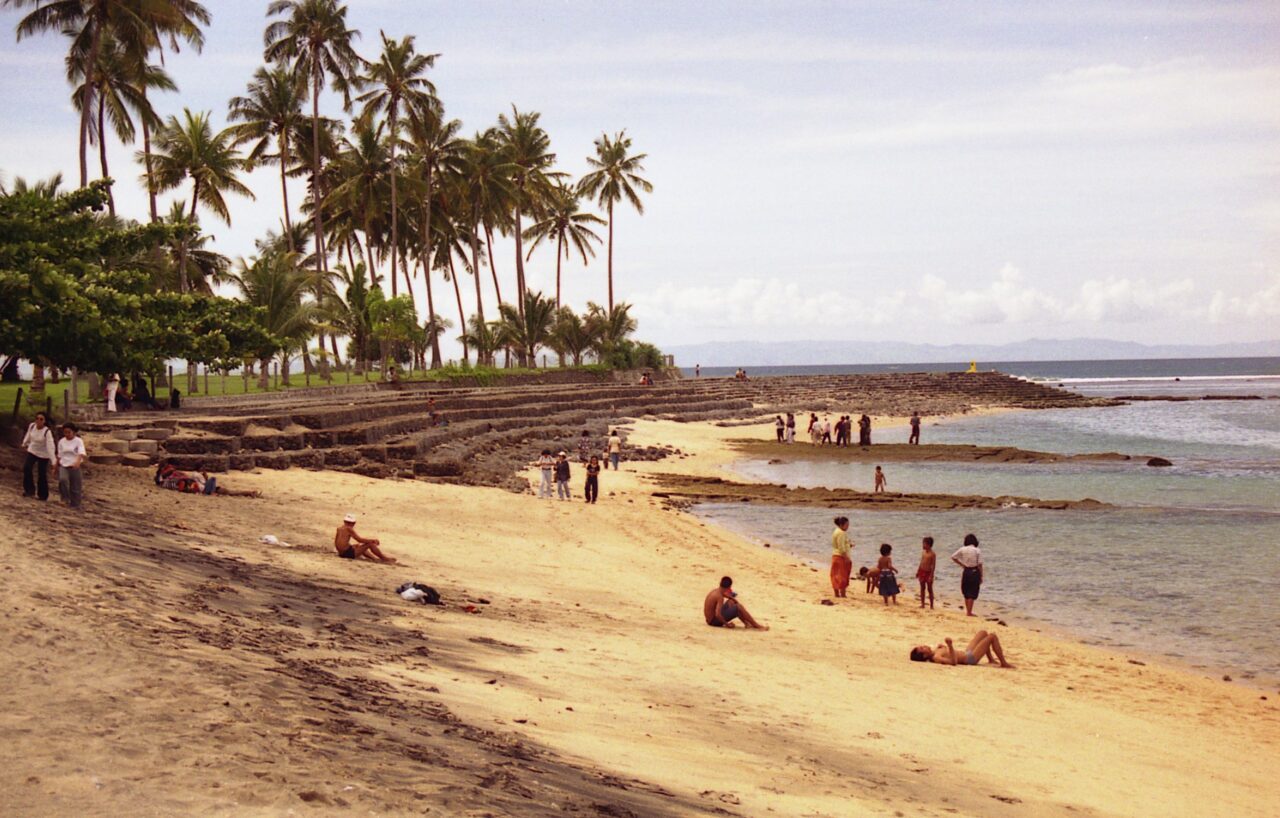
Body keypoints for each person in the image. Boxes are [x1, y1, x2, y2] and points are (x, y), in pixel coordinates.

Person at [910, 630, 1011, 668]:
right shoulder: (936, 657)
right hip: (970, 659)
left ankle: (991, 659)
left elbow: (948, 653)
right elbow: (953, 662)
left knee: (983, 633)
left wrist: (944, 647)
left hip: (967, 653)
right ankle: (1003, 663)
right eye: (922, 648)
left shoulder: (935, 651)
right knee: (992, 636)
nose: (924, 646)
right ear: (925, 655)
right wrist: (950, 645)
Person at [703, 576, 767, 630]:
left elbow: (723, 594)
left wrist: (732, 598)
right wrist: (727, 624)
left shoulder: (716, 591)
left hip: (710, 619)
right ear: (729, 587)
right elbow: (718, 614)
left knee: (731, 602)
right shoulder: (720, 597)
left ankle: (747, 624)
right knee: (738, 607)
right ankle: (756, 625)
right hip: (713, 622)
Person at [21, 411, 56, 501]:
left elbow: (50, 446)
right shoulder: (32, 426)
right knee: (27, 468)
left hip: (43, 454)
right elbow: (28, 435)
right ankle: (29, 490)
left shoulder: (47, 432)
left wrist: (53, 460)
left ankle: (43, 495)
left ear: (44, 421)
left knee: (42, 473)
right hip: (33, 450)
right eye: (37, 418)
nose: (38, 421)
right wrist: (24, 443)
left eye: (41, 419)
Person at [55, 422, 86, 509]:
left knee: (75, 485)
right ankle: (64, 498)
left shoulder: (78, 441)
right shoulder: (61, 441)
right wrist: (55, 466)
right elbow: (59, 454)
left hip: (74, 464)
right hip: (64, 464)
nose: (67, 434)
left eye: (69, 432)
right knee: (63, 480)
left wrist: (78, 462)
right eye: (65, 432)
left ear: (73, 432)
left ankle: (75, 503)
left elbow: (81, 452)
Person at [951, 533, 983, 616]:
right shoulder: (977, 550)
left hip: (966, 571)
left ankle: (967, 611)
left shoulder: (963, 549)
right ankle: (969, 612)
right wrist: (981, 575)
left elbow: (953, 557)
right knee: (972, 592)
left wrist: (962, 565)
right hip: (974, 571)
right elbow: (979, 564)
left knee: (966, 591)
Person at [830, 516, 854, 598]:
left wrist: (848, 545)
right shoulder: (841, 533)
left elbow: (838, 544)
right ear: (841, 524)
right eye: (847, 525)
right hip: (841, 556)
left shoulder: (836, 531)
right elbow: (841, 548)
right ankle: (843, 594)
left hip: (835, 555)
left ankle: (837, 593)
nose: (848, 526)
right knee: (843, 576)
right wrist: (846, 557)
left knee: (835, 575)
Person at [916, 536, 936, 609]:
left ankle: (931, 605)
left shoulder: (932, 554)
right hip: (922, 571)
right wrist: (918, 571)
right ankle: (922, 604)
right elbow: (921, 562)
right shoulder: (923, 552)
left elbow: (933, 566)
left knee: (930, 589)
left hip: (928, 572)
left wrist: (931, 575)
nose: (923, 545)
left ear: (928, 545)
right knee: (922, 588)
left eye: (924, 544)